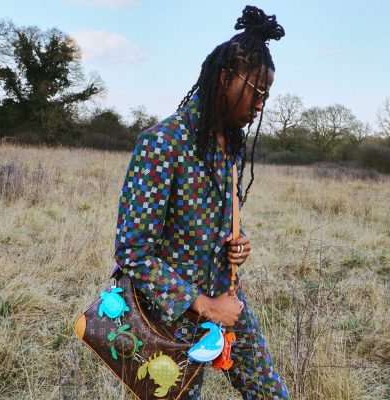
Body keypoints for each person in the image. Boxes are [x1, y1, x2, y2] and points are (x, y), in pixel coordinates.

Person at [113, 5, 288, 399]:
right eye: (257, 91)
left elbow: (212, 218)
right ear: (226, 78)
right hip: (168, 319)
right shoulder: (163, 143)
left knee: (270, 392)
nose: (261, 103)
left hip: (227, 300)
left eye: (267, 94)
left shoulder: (231, 146)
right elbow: (132, 251)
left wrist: (237, 241)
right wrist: (205, 306)